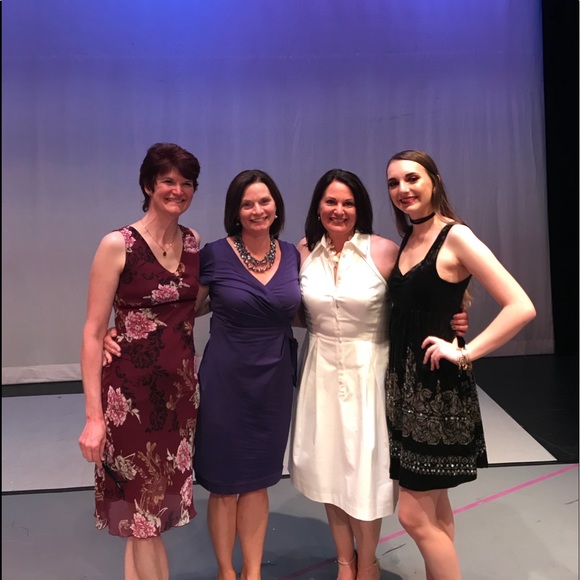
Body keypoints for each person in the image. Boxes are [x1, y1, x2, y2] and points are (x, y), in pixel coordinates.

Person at [288, 169, 469, 580]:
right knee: (328, 470)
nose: (339, 210)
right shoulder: (303, 251)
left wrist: (454, 321)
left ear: (360, 208)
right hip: (320, 370)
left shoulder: (385, 250)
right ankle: (344, 561)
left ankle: (368, 562)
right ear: (318, 206)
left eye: (348, 203)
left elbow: (421, 299)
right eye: (331, 202)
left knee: (365, 475)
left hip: (371, 373)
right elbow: (295, 310)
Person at [384, 149, 536, 579]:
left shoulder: (456, 236)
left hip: (437, 394)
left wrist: (466, 351)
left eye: (412, 178)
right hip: (406, 393)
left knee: (413, 515)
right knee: (434, 508)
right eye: (393, 182)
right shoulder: (410, 237)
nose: (402, 189)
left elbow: (520, 306)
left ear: (433, 180)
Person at [78, 142, 203, 580]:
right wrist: (94, 418)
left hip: (180, 400)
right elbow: (93, 333)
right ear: (149, 185)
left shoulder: (193, 243)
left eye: (186, 183)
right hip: (129, 402)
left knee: (145, 519)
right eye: (168, 180)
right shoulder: (118, 245)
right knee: (145, 519)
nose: (178, 190)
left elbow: (189, 305)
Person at [193, 169, 302, 580]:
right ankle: (226, 571)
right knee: (224, 485)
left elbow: (312, 311)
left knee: (257, 482)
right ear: (235, 211)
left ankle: (252, 572)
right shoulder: (214, 254)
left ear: (276, 206)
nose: (257, 210)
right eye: (247, 204)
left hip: (274, 381)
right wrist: (122, 329)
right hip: (226, 381)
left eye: (264, 201)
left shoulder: (293, 254)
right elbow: (185, 310)